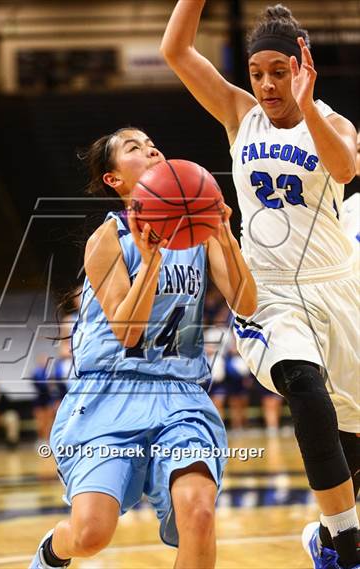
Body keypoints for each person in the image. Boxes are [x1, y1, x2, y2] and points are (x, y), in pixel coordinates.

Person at [161, 3, 359, 569]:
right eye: (257, 73)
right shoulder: (238, 113)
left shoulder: (335, 122)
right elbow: (176, 52)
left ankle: (326, 535)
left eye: (279, 70)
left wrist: (309, 105)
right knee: (304, 385)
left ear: (300, 65)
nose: (267, 85)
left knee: (349, 435)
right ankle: (346, 548)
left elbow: (344, 169)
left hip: (337, 290)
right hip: (267, 292)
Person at [29, 127, 257, 569]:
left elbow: (246, 303)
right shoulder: (107, 239)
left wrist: (225, 233)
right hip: (109, 395)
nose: (151, 148)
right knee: (91, 535)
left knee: (200, 511)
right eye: (133, 148)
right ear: (114, 179)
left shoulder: (199, 232)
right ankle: (53, 549)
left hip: (180, 395)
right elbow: (128, 332)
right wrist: (151, 260)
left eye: (154, 142)